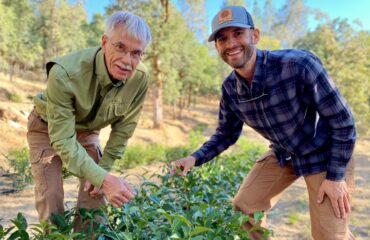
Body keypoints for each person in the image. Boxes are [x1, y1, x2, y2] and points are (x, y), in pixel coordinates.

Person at [170, 5, 356, 240]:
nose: (230, 44)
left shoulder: (298, 66)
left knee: (330, 236)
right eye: (222, 38)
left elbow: (343, 122)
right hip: (285, 153)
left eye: (238, 33)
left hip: (325, 153)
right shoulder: (230, 89)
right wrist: (194, 158)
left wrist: (336, 178)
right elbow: (226, 133)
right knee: (245, 208)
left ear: (254, 35)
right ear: (216, 47)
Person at [27, 11, 151, 230]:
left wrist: (102, 173)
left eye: (136, 53)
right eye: (120, 47)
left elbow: (124, 129)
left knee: (94, 195)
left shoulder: (140, 78)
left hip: (88, 132)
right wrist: (104, 178)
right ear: (104, 42)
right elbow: (63, 139)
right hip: (47, 128)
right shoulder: (64, 73)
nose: (126, 60)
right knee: (51, 195)